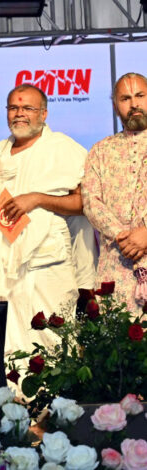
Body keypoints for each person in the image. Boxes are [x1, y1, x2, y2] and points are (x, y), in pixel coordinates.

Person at [0, 84, 94, 358]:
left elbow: (85, 204)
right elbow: (4, 207)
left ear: (43, 114)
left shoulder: (61, 148)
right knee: (11, 349)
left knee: (52, 343)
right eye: (14, 108)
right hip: (5, 267)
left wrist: (37, 198)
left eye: (28, 108)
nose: (20, 114)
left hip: (47, 263)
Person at [83, 72, 147, 313]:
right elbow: (91, 202)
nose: (134, 104)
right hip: (117, 263)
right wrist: (125, 237)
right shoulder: (101, 151)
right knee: (118, 335)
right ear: (115, 105)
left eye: (140, 96)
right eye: (125, 98)